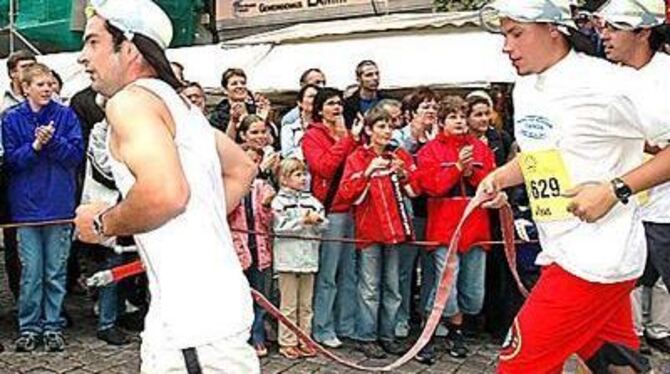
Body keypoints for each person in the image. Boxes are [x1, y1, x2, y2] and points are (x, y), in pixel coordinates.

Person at [478, 0, 670, 371]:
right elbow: (542, 155)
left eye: (516, 34)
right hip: (560, 250)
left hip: (595, 260)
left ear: (555, 29)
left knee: (518, 364)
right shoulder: (527, 88)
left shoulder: (608, 83)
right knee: (616, 364)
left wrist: (615, 189)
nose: (506, 46)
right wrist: (500, 177)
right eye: (504, 35)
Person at [74, 0, 259, 371]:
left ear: (128, 49)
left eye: (93, 42)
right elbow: (241, 168)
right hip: (206, 317)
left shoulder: (129, 103)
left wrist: (102, 224)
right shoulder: (180, 106)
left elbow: (166, 195)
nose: (82, 56)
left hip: (192, 329)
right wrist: (187, 223)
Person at [594, 0, 670, 354]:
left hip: (666, 213)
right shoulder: (606, 79)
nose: (604, 36)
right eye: (601, 28)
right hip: (621, 211)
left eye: (613, 28)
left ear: (643, 32)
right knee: (620, 291)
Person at [2, 62, 84, 352]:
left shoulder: (66, 116)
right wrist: (35, 145)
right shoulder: (10, 119)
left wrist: (53, 142)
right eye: (41, 84)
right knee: (31, 272)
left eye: (50, 84)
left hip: (59, 203)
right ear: (26, 88)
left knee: (54, 271)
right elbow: (11, 161)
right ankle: (28, 327)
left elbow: (75, 156)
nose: (48, 88)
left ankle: (52, 325)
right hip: (26, 207)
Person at [415, 95, 495, 363]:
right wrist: (457, 168)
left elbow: (491, 184)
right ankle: (433, 334)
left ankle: (455, 326)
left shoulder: (481, 149)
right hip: (444, 229)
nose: (459, 121)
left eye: (462, 116)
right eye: (453, 117)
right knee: (444, 290)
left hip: (476, 228)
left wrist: (472, 172)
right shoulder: (429, 151)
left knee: (474, 295)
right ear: (441, 122)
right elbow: (432, 187)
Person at [338, 105, 419, 359]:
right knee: (370, 286)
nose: (387, 131)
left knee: (393, 286)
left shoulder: (400, 155)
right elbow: (346, 192)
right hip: (369, 231)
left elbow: (416, 189)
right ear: (370, 130)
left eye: (389, 126)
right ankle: (367, 336)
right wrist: (367, 172)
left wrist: (404, 175)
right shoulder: (358, 157)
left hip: (396, 231)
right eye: (381, 126)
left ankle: (388, 335)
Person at [302, 87, 362, 348]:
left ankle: (346, 323)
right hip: (331, 210)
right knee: (328, 274)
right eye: (330, 104)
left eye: (339, 103)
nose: (336, 108)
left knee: (349, 273)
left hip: (353, 207)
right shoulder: (312, 136)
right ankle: (323, 327)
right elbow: (324, 167)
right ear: (319, 109)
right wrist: (346, 140)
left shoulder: (349, 134)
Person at [271, 157, 328, 359]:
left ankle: (305, 338)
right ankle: (287, 341)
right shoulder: (279, 202)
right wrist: (302, 220)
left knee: (306, 304)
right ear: (284, 179)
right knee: (288, 304)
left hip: (309, 260)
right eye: (297, 174)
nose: (303, 178)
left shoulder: (312, 201)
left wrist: (318, 221)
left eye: (304, 174)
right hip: (288, 260)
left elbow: (324, 225)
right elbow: (279, 227)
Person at [228, 145, 275, 358]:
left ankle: (257, 335)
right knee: (239, 296)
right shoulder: (229, 186)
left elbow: (269, 221)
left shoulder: (263, 187)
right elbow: (224, 213)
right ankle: (239, 338)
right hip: (239, 250)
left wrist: (266, 207)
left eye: (256, 161)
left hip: (260, 249)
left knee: (261, 295)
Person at [0, 50, 37, 307]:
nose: (30, 70)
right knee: (14, 244)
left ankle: (33, 305)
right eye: (25, 66)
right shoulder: (3, 105)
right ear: (12, 72)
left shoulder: (48, 102)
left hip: (34, 180)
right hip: (9, 177)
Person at [343, 60, 386, 128]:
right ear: (358, 79)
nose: (375, 78)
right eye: (369, 75)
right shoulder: (348, 105)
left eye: (377, 74)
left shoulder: (386, 100)